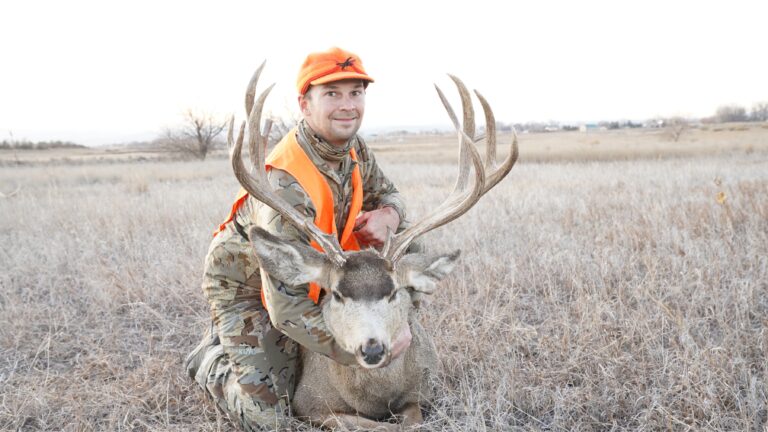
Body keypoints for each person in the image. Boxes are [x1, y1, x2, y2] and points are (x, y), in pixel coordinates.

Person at [185, 47, 415, 431]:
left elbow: (390, 196)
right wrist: (366, 348)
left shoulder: (353, 150)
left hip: (316, 277)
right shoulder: (285, 182)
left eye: (355, 93)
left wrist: (390, 215)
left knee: (409, 240)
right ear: (304, 105)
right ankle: (208, 359)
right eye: (332, 94)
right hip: (252, 289)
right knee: (272, 418)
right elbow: (286, 309)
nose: (347, 105)